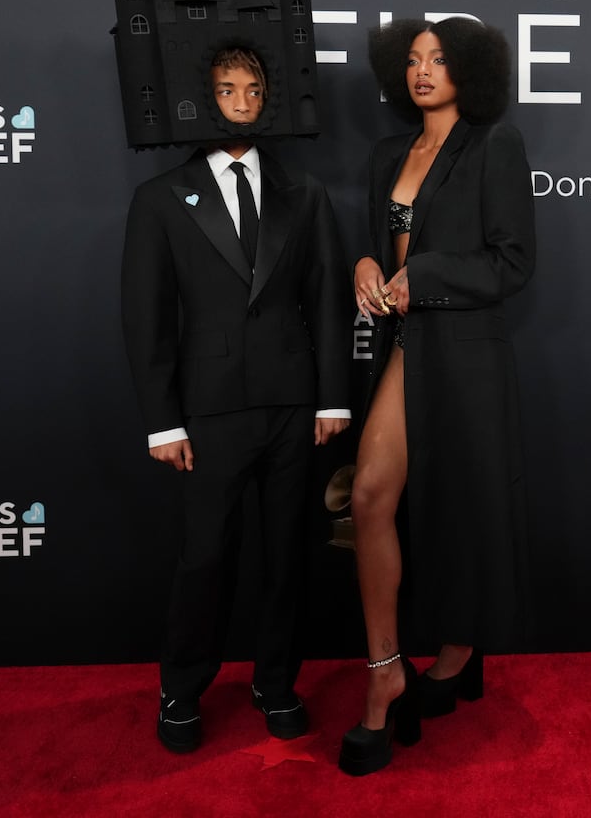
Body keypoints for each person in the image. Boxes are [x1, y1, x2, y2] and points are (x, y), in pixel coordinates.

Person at [120, 46, 352, 753]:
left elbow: (331, 301)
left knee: (287, 556)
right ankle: (182, 688)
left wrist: (332, 400)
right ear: (205, 97)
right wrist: (163, 420)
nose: (243, 100)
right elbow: (147, 316)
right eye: (227, 87)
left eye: (254, 88)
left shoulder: (304, 194)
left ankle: (276, 683)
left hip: (293, 408)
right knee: (205, 558)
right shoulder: (161, 197)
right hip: (208, 410)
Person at [338, 18, 536, 776]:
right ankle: (385, 668)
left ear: (470, 71)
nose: (423, 71)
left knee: (463, 504)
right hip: (401, 346)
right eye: (414, 59)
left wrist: (429, 277)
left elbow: (513, 261)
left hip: (465, 352)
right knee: (370, 498)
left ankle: (458, 649)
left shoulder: (495, 144)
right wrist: (364, 260)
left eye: (440, 59)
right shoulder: (389, 153)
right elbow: (378, 240)